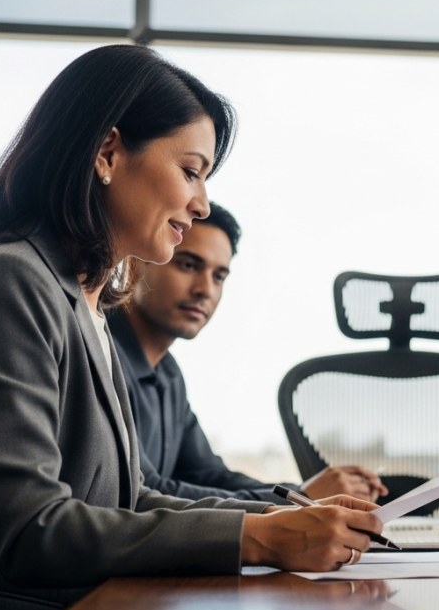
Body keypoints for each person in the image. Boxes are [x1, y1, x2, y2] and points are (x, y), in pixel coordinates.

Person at [0, 45, 381, 610]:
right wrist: (258, 538)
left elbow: (131, 496)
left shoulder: (85, 302)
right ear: (108, 152)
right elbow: (30, 528)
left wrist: (278, 521)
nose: (202, 203)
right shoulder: (7, 283)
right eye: (190, 171)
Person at [112, 201, 387, 503]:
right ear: (137, 263)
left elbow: (209, 474)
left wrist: (301, 496)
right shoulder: (103, 355)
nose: (205, 289)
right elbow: (146, 492)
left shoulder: (167, 372)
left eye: (219, 277)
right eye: (189, 265)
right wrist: (300, 497)